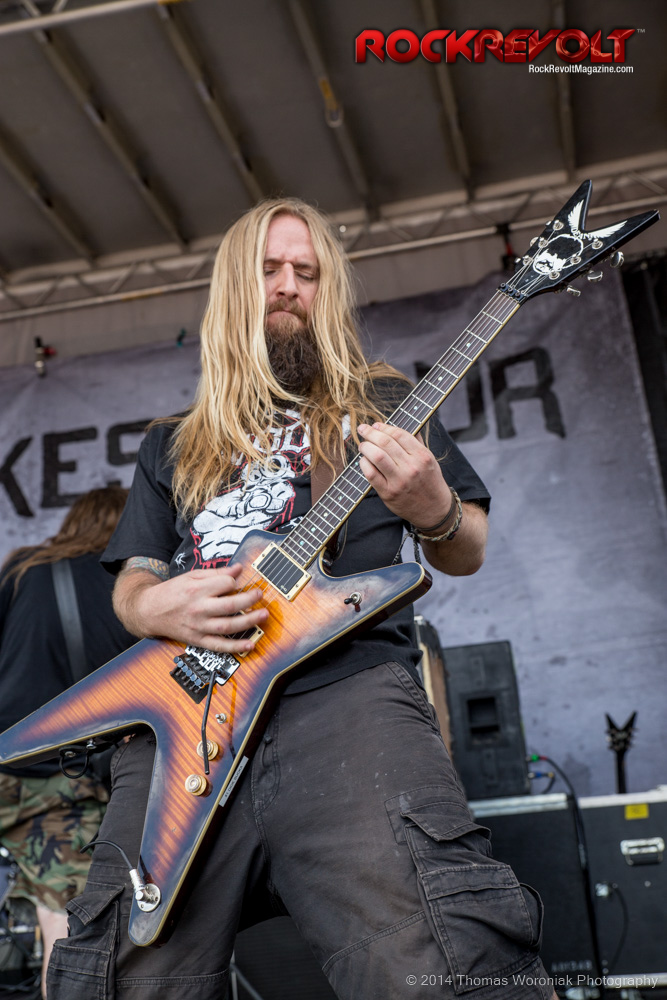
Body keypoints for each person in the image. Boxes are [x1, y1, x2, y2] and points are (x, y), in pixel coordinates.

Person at [47, 201, 556, 1000]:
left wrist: (433, 509)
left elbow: (466, 548)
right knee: (129, 973)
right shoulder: (170, 442)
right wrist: (154, 609)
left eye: (307, 272)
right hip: (191, 724)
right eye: (270, 269)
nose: (288, 285)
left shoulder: (382, 399)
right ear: (234, 287)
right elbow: (133, 582)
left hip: (347, 703)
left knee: (430, 959)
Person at [0, 486, 135, 999]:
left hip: (8, 763)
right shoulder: (129, 589)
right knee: (73, 928)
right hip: (61, 783)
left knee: (54, 908)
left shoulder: (22, 568)